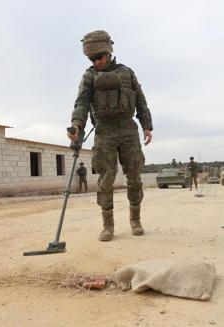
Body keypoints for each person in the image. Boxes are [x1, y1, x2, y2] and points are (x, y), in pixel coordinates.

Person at [67, 30, 153, 241]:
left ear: (109, 53)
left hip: (127, 128)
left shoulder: (127, 73)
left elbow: (141, 101)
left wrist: (147, 126)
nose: (96, 62)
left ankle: (135, 220)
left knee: (134, 175)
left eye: (99, 57)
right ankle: (108, 226)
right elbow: (82, 104)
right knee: (106, 178)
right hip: (104, 130)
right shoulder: (89, 76)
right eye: (91, 59)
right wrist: (77, 126)